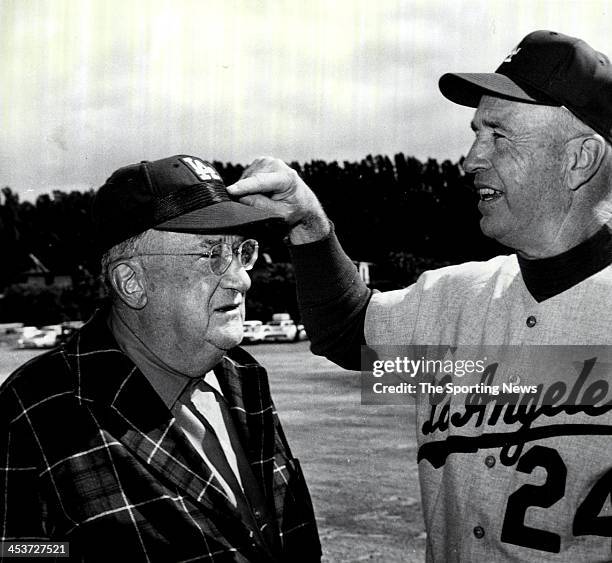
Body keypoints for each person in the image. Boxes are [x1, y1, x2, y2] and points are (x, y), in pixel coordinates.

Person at [227, 31, 612, 562]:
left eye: (498, 135)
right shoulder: (454, 298)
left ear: (580, 159)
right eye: (475, 133)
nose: (470, 159)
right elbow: (345, 331)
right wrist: (308, 220)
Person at [0, 155, 321, 562]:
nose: (242, 278)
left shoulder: (243, 376)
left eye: (242, 252)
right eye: (212, 255)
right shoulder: (32, 416)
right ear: (131, 283)